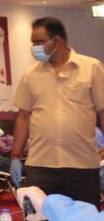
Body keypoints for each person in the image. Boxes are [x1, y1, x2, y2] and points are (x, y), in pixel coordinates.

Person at [9, 17, 104, 208]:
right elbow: (23, 117)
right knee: (37, 220)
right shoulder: (31, 74)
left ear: (58, 41)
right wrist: (15, 156)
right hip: (40, 163)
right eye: (33, 43)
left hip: (82, 164)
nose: (35, 47)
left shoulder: (91, 68)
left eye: (40, 42)